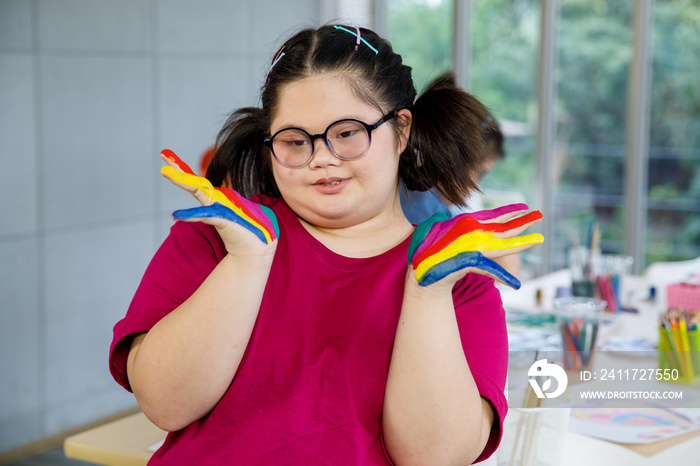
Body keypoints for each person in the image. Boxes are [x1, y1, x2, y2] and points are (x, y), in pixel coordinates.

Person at [109, 24, 543, 465]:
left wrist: (427, 294)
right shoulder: (217, 234)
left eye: (347, 133)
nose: (321, 158)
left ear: (402, 130)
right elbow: (165, 405)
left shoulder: (455, 277)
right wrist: (245, 262)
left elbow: (434, 456)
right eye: (295, 141)